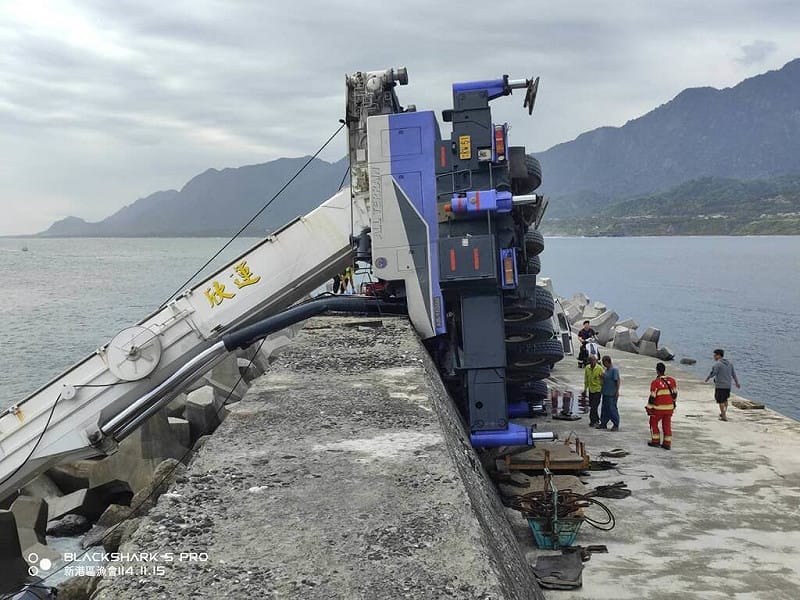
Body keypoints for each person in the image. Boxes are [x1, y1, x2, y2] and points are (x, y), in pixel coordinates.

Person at [647, 362, 677, 449]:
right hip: (669, 408)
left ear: (657, 371)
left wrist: (649, 408)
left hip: (658, 408)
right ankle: (667, 443)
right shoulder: (672, 381)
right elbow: (674, 394)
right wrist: (673, 403)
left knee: (653, 423)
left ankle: (655, 441)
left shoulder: (655, 382)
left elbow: (652, 397)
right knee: (667, 425)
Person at [704, 348, 740, 421]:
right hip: (728, 385)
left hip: (720, 385)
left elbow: (713, 373)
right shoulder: (730, 363)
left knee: (720, 401)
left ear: (719, 355)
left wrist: (707, 378)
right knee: (725, 400)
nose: (714, 357)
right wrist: (737, 382)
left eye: (715, 355)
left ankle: (724, 416)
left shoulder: (717, 364)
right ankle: (724, 412)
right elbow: (733, 374)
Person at [599, 356, 621, 430]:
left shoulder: (614, 370)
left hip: (612, 393)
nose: (603, 364)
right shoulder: (606, 370)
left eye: (604, 363)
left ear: (607, 362)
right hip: (605, 392)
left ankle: (616, 424)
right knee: (604, 408)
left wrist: (617, 391)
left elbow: (617, 381)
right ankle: (603, 423)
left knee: (612, 409)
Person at [583, 354, 604, 427]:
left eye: (594, 361)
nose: (593, 362)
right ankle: (597, 420)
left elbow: (602, 380)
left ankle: (593, 421)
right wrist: (585, 389)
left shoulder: (599, 368)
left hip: (598, 390)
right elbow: (586, 379)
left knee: (594, 407)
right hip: (591, 390)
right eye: (591, 361)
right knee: (592, 406)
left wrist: (603, 389)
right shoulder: (587, 368)